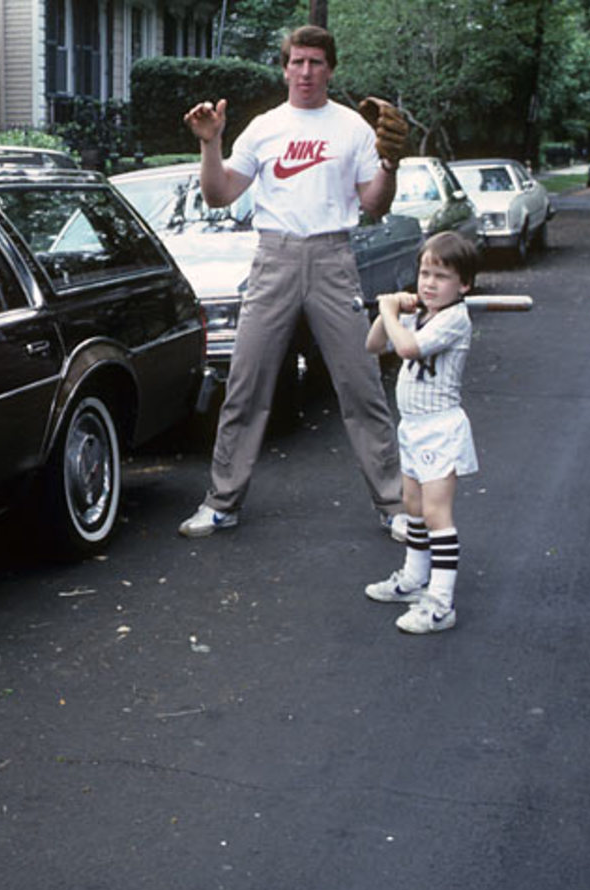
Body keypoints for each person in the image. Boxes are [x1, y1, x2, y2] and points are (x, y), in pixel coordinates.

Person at [178, 24, 407, 541]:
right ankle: (221, 502)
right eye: (297, 62)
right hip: (273, 258)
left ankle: (394, 504)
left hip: (333, 258)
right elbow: (218, 195)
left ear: (330, 68)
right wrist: (210, 144)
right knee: (245, 383)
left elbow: (375, 203)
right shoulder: (263, 128)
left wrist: (390, 162)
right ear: (284, 68)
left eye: (316, 63)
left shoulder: (352, 128)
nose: (306, 72)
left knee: (361, 385)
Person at [362, 231, 478, 634]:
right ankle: (414, 580)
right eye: (424, 274)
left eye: (441, 277)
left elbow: (407, 349)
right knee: (412, 506)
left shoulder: (454, 319)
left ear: (463, 284)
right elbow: (374, 344)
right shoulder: (419, 313)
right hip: (412, 427)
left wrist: (393, 314)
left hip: (440, 428)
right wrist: (388, 311)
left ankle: (441, 603)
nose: (429, 283)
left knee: (435, 513)